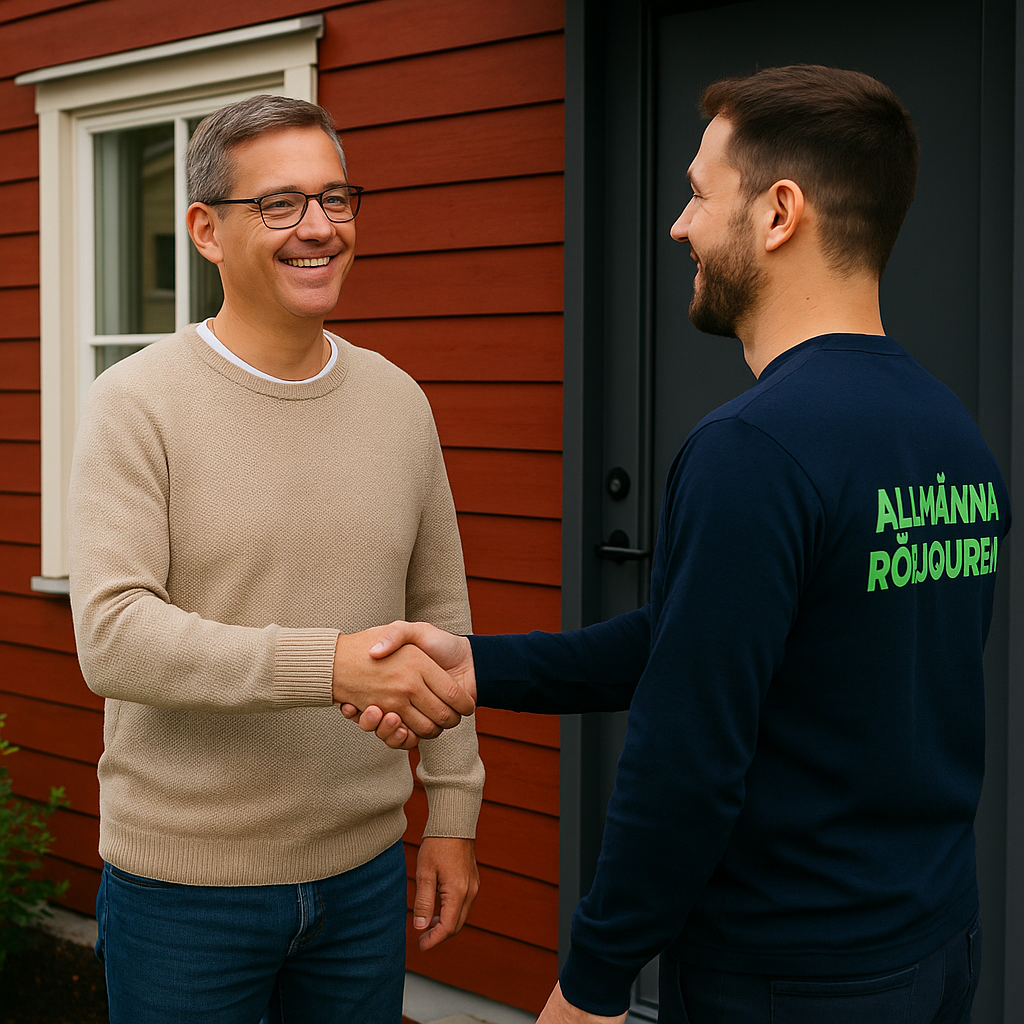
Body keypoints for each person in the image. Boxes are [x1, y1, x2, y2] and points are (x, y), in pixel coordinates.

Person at [348, 66, 1011, 1024]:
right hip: (935, 944)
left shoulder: (754, 450)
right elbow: (714, 641)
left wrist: (595, 980)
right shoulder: (952, 432)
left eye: (700, 193)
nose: (680, 225)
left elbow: (686, 755)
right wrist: (476, 669)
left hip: (791, 976)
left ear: (780, 213)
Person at [67, 94, 484, 1024]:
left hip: (364, 877)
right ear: (206, 230)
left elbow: (442, 619)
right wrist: (324, 662)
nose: (320, 229)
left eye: (336, 200)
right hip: (184, 892)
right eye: (282, 205)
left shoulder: (398, 401)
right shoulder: (135, 403)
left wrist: (454, 812)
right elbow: (114, 637)